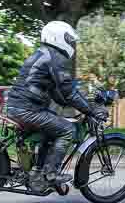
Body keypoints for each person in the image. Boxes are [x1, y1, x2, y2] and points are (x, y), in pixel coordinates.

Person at [7, 21, 108, 189]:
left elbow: (58, 93)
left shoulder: (43, 54)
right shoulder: (55, 58)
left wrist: (80, 104)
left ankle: (38, 170)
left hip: (18, 107)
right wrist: (90, 110)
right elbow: (68, 91)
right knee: (68, 130)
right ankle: (50, 173)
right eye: (68, 39)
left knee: (53, 127)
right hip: (27, 109)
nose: (71, 43)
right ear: (58, 37)